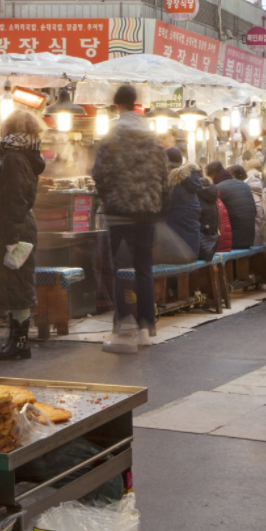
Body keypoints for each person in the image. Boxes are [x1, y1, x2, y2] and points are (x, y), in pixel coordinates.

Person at [92, 85, 170, 352]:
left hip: (118, 213)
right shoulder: (151, 137)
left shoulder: (112, 134)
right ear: (136, 104)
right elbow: (164, 175)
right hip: (147, 213)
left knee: (119, 270)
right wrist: (157, 205)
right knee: (143, 268)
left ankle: (125, 328)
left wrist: (107, 196)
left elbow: (99, 172)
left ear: (117, 106)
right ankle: (146, 329)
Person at [0, 110, 46, 362]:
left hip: (16, 227)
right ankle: (16, 338)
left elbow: (14, 199)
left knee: (18, 283)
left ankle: (20, 342)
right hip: (21, 225)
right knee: (16, 283)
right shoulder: (26, 156)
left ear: (9, 131)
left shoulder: (13, 159)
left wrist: (10, 237)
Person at [161, 147, 204, 262]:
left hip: (179, 251)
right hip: (193, 248)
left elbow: (160, 209)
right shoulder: (190, 181)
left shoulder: (173, 183)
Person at [205, 162, 258, 250]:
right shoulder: (245, 185)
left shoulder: (217, 189)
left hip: (232, 241)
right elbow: (254, 212)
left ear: (212, 175)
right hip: (250, 239)